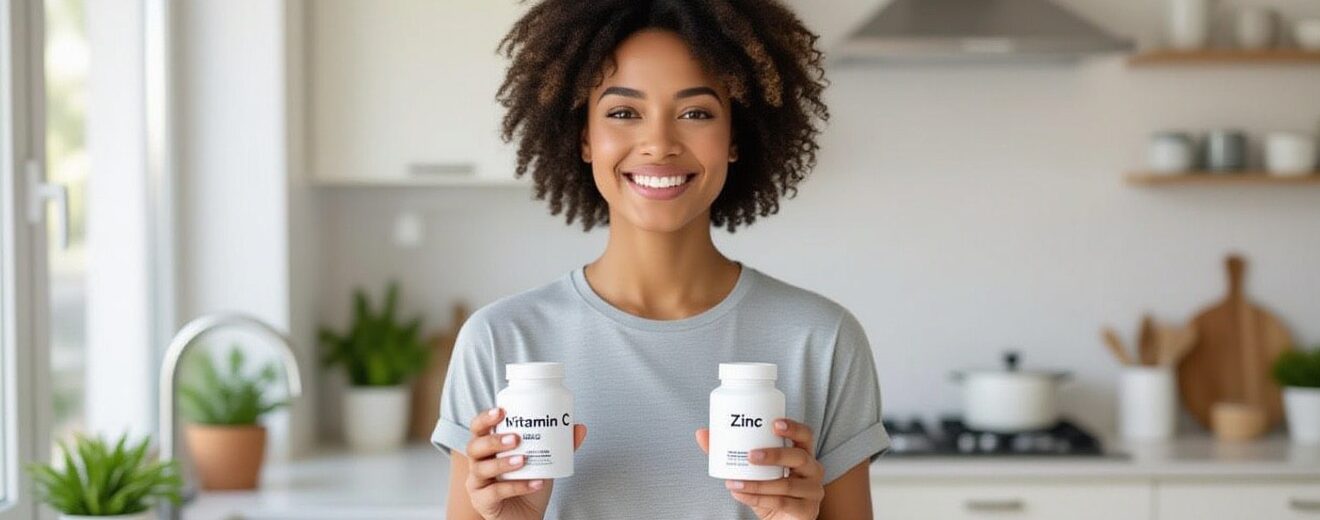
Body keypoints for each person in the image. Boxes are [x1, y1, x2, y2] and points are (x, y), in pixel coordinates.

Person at [431, 1, 890, 518]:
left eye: (695, 113)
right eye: (623, 113)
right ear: (584, 137)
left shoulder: (821, 340)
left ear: (734, 138)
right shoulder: (499, 340)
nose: (659, 144)